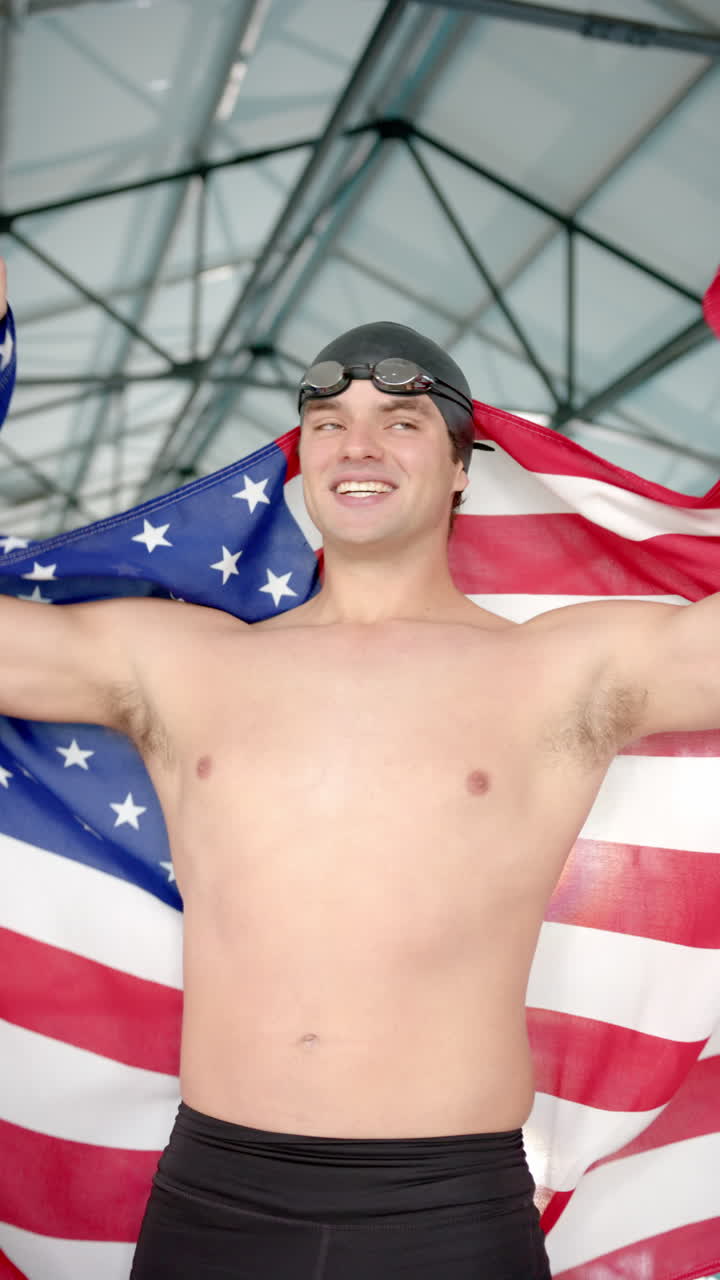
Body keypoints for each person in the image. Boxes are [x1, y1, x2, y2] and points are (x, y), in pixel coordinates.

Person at [1, 262, 719, 1280]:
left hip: (447, 1208)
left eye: (402, 420)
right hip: (215, 1197)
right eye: (329, 422)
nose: (358, 443)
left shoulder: (563, 669)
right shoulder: (178, 662)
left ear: (464, 466)